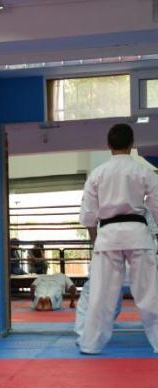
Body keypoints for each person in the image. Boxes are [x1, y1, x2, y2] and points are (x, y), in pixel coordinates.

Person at [78, 123, 158, 354]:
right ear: (132, 144)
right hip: (138, 235)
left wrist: (96, 240)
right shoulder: (143, 172)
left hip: (108, 237)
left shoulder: (98, 174)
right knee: (149, 294)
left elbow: (89, 215)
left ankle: (91, 344)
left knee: (101, 295)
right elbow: (156, 205)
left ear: (108, 145)